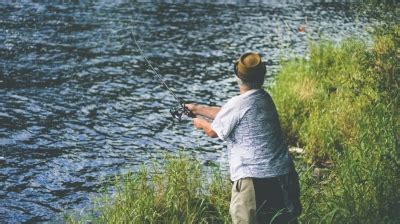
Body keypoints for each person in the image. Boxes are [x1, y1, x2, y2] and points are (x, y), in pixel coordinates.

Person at [186, 52, 302, 224]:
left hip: (253, 182)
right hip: (281, 177)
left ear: (237, 78)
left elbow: (213, 131)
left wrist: (199, 122)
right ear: (262, 76)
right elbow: (228, 113)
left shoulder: (238, 104)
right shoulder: (264, 98)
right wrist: (197, 108)